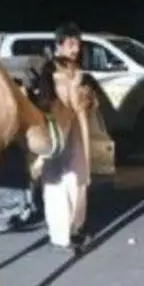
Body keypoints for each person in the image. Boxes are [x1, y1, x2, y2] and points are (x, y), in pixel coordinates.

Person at [38, 23, 94, 254]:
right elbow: (48, 99)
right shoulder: (50, 68)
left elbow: (89, 101)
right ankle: (60, 236)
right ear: (59, 45)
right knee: (57, 183)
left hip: (76, 130)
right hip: (57, 129)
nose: (75, 48)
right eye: (70, 43)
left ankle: (75, 228)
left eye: (78, 43)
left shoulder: (78, 69)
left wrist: (84, 94)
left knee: (78, 179)